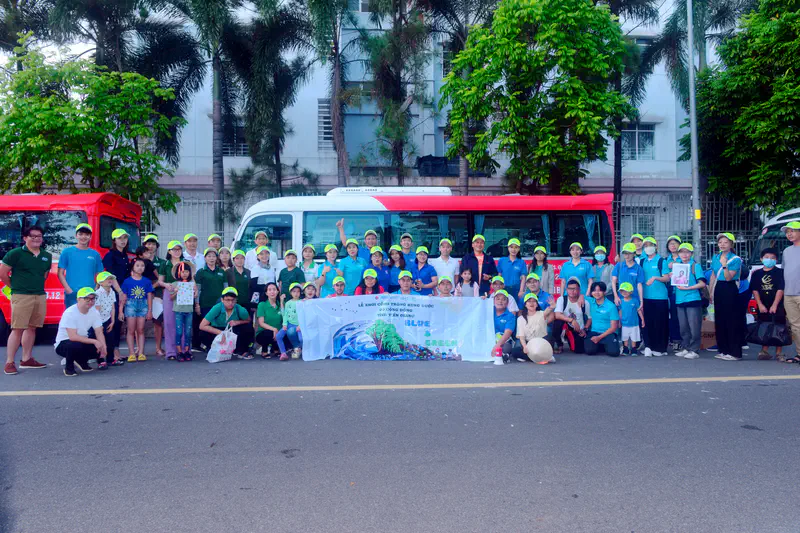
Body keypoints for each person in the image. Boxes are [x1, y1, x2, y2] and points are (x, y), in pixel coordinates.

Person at [1, 225, 50, 374]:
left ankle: (26, 359)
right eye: (32, 236)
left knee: (32, 328)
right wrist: (15, 288)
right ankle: (9, 362)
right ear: (25, 238)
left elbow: (45, 275)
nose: (36, 239)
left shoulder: (46, 255)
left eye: (39, 236)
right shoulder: (15, 254)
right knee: (17, 329)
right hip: (21, 296)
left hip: (39, 295)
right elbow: (3, 274)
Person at [54, 287, 107, 376]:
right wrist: (95, 341)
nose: (90, 301)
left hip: (82, 340)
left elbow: (99, 332)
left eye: (93, 299)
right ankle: (69, 369)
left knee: (102, 343)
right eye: (87, 298)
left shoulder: (94, 312)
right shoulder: (70, 312)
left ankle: (82, 362)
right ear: (78, 299)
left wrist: (103, 347)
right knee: (74, 345)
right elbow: (72, 337)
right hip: (64, 343)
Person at [709, 232, 744, 361]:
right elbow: (713, 275)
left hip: (729, 289)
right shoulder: (715, 257)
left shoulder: (735, 259)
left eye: (725, 242)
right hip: (719, 288)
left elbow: (729, 277)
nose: (722, 244)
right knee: (720, 320)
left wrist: (724, 265)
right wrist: (711, 291)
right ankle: (723, 350)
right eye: (720, 242)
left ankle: (735, 352)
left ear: (731, 244)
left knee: (731, 320)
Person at [750, 248, 786, 361]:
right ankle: (764, 350)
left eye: (772, 258)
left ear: (776, 260)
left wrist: (775, 304)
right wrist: (760, 304)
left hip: (778, 304)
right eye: (766, 257)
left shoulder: (780, 272)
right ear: (761, 259)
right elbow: (755, 290)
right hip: (763, 304)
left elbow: (781, 289)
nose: (769, 260)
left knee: (779, 327)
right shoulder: (756, 274)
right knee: (764, 326)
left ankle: (779, 353)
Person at [199, 287, 254, 358]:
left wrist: (238, 322)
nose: (230, 303)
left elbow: (248, 320)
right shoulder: (217, 308)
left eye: (233, 300)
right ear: (222, 300)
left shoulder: (240, 309)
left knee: (248, 328)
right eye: (227, 300)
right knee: (203, 333)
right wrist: (220, 333)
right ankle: (213, 348)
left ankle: (242, 350)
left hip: (232, 331)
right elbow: (202, 325)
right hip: (218, 330)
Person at [58, 223, 104, 308]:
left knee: (89, 320)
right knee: (72, 320)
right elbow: (60, 273)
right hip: (72, 293)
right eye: (81, 234)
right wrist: (68, 289)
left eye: (87, 234)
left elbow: (100, 274)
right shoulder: (67, 252)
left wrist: (96, 287)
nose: (83, 237)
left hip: (90, 293)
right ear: (76, 235)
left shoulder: (95, 254)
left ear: (90, 237)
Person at [673, 243, 706, 360]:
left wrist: (688, 288)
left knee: (694, 326)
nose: (684, 254)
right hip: (680, 300)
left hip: (692, 299)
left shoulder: (695, 266)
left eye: (687, 252)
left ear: (691, 254)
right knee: (683, 327)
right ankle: (686, 347)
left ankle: (694, 349)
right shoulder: (678, 266)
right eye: (682, 252)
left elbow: (702, 283)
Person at [119, 257, 153, 362]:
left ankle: (141, 352)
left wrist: (150, 310)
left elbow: (149, 296)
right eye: (137, 265)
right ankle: (131, 353)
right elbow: (123, 297)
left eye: (142, 266)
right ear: (132, 267)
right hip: (130, 305)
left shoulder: (147, 281)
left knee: (141, 330)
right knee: (130, 330)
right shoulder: (127, 281)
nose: (140, 268)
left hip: (143, 306)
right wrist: (120, 310)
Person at [640, 236, 670, 356]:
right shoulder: (642, 261)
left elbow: (667, 277)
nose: (648, 248)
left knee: (660, 323)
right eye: (646, 246)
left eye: (650, 245)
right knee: (648, 322)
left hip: (660, 297)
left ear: (656, 247)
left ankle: (661, 348)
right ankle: (649, 346)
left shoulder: (661, 261)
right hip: (646, 297)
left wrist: (655, 278)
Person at [195, 248, 226, 350]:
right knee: (207, 326)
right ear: (205, 258)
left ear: (217, 258)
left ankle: (218, 346)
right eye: (209, 256)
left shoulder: (221, 271)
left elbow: (226, 288)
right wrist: (197, 304)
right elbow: (197, 290)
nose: (211, 258)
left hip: (219, 305)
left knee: (218, 325)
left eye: (213, 256)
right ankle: (208, 346)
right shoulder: (201, 272)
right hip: (205, 304)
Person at [158, 241, 185, 361]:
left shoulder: (186, 263)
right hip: (169, 293)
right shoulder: (165, 264)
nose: (177, 251)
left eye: (179, 249)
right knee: (169, 322)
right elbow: (160, 281)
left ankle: (184, 350)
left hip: (184, 293)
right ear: (169, 251)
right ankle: (171, 351)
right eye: (174, 249)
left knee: (183, 321)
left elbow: (192, 278)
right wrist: (166, 285)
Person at [513, 293, 555, 363]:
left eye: (534, 301)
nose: (532, 303)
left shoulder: (542, 314)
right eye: (529, 301)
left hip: (541, 342)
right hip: (528, 343)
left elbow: (549, 309)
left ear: (537, 304)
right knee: (515, 351)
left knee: (548, 340)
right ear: (525, 304)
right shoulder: (520, 318)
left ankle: (532, 357)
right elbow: (521, 336)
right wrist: (525, 347)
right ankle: (542, 357)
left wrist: (552, 306)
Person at [143, 234, 166, 357]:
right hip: (140, 295)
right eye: (148, 244)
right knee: (139, 322)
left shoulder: (162, 262)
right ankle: (139, 350)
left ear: (157, 246)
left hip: (156, 295)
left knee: (157, 322)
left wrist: (152, 287)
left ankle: (158, 348)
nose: (150, 246)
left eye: (153, 244)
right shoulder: (139, 261)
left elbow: (161, 279)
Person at [781, 221, 800, 363]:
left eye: (792, 230)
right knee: (795, 326)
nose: (789, 234)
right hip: (789, 294)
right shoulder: (786, 251)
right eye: (787, 232)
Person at [584, 281, 620, 356]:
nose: (596, 293)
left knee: (613, 353)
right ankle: (602, 345)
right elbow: (579, 296)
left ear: (604, 292)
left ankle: (605, 344)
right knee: (589, 351)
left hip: (608, 333)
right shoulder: (591, 301)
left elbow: (614, 327)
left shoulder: (611, 306)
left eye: (599, 290)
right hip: (594, 332)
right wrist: (581, 297)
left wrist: (599, 337)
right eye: (594, 290)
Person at [170, 261, 197, 362]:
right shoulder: (175, 284)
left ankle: (186, 351)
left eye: (186, 271)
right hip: (178, 310)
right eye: (182, 272)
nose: (184, 273)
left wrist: (195, 292)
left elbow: (195, 296)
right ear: (178, 273)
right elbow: (171, 297)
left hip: (189, 310)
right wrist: (175, 292)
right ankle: (179, 351)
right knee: (179, 331)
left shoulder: (192, 284)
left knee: (188, 332)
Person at [551, 278, 586, 354]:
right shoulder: (562, 299)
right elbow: (557, 315)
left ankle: (568, 337)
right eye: (570, 289)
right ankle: (559, 344)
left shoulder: (584, 301)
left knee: (579, 350)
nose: (572, 291)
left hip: (578, 328)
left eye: (575, 289)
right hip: (567, 324)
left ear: (579, 290)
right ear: (566, 289)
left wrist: (585, 329)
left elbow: (589, 318)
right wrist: (571, 320)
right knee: (557, 322)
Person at [94, 271, 120, 367]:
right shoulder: (98, 294)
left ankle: (110, 359)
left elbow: (113, 307)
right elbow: (96, 311)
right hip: (99, 321)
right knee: (100, 341)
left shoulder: (112, 292)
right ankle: (100, 361)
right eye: (107, 279)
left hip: (108, 319)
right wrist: (98, 325)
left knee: (110, 340)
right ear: (100, 282)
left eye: (110, 279)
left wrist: (113, 321)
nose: (109, 281)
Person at [611, 243, 645, 307]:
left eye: (629, 253)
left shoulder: (638, 268)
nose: (627, 256)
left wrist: (641, 301)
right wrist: (615, 296)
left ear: (634, 254)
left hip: (634, 299)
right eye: (625, 253)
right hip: (621, 299)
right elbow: (613, 281)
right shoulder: (619, 266)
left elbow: (639, 285)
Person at [665, 235, 683, 348]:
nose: (673, 245)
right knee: (671, 316)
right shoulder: (666, 260)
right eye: (670, 243)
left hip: (682, 292)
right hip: (669, 291)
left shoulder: (685, 258)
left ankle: (681, 340)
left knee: (680, 317)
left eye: (675, 243)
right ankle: (673, 339)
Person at [278, 282, 303, 360]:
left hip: (298, 325)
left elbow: (304, 316)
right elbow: (285, 314)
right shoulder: (288, 303)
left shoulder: (302, 302)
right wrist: (284, 324)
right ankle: (283, 353)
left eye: (298, 291)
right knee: (278, 336)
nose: (296, 293)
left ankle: (299, 349)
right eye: (294, 291)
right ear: (291, 292)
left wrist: (300, 325)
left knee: (301, 339)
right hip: (289, 324)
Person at [256, 282, 282, 357]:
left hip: (278, 333)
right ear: (266, 293)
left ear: (277, 291)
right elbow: (261, 323)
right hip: (264, 334)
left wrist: (282, 302)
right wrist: (274, 329)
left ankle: (275, 348)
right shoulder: (262, 305)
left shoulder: (280, 304)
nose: (272, 292)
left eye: (274, 289)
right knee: (268, 333)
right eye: (269, 290)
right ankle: (264, 351)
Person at [618, 282, 645, 356]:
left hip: (634, 323)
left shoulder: (635, 300)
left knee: (634, 337)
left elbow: (638, 310)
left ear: (631, 292)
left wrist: (642, 319)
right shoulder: (621, 301)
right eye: (622, 291)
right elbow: (620, 311)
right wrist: (619, 321)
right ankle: (625, 349)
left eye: (626, 291)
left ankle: (634, 349)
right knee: (625, 337)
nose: (624, 293)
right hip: (624, 323)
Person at [492, 290, 516, 363]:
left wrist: (497, 345)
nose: (500, 301)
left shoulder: (510, 316)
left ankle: (503, 355)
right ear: (493, 301)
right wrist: (482, 300)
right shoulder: (488, 311)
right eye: (498, 299)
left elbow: (507, 333)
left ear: (507, 302)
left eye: (503, 299)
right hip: (489, 340)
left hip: (504, 341)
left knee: (506, 348)